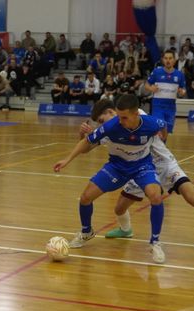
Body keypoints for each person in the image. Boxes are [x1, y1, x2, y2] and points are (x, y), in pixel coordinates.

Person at [80, 99, 194, 246]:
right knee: (119, 208)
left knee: (192, 197)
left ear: (112, 112)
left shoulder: (135, 116)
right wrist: (84, 136)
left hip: (164, 164)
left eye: (101, 121)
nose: (101, 125)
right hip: (141, 169)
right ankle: (126, 230)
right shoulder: (111, 130)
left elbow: (161, 125)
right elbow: (87, 148)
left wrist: (163, 141)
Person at [53, 94, 167, 263]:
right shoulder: (111, 126)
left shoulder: (150, 123)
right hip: (116, 167)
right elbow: (87, 143)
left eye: (124, 117)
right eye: (119, 117)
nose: (120, 121)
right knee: (85, 198)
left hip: (142, 166)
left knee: (156, 196)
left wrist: (163, 138)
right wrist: (67, 159)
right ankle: (86, 232)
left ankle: (155, 242)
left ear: (136, 114)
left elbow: (163, 126)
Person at [145, 50, 186, 134]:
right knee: (158, 128)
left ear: (174, 60)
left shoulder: (179, 74)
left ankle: (161, 147)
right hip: (158, 106)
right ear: (162, 60)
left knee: (167, 131)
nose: (168, 60)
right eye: (166, 58)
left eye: (170, 58)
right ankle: (155, 146)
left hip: (171, 107)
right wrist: (151, 89)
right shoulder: (157, 72)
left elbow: (183, 89)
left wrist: (182, 92)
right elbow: (146, 85)